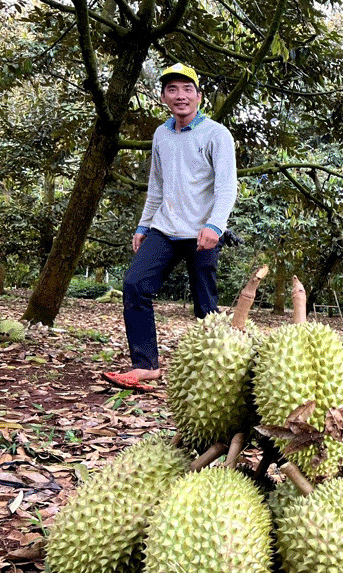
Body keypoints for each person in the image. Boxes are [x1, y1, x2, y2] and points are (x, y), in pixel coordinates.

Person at [102, 63, 238, 391]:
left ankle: (217, 373)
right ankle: (145, 366)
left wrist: (216, 226)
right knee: (135, 285)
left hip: (203, 233)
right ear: (164, 96)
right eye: (172, 90)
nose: (180, 96)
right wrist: (143, 225)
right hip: (164, 229)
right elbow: (157, 186)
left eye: (187, 89)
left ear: (199, 96)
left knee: (206, 305)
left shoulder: (217, 134)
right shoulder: (162, 134)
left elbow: (227, 186)